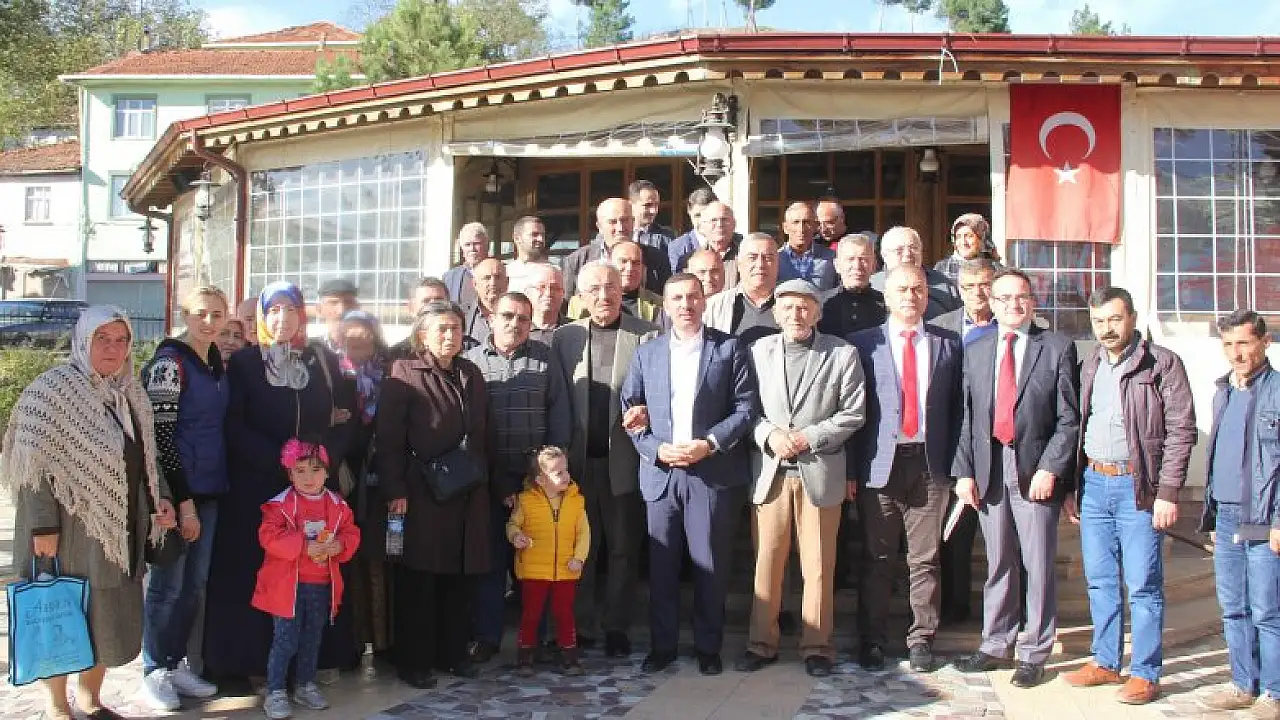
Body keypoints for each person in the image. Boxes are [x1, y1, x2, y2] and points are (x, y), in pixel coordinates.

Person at [2, 305, 177, 720]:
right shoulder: (50, 392)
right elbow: (30, 464)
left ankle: (91, 699)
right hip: (66, 532)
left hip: (118, 530)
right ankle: (57, 705)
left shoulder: (130, 393)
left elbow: (146, 458)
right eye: (103, 339)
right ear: (83, 340)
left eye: (121, 340)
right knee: (63, 613)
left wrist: (162, 498)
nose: (113, 348)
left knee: (105, 616)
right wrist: (42, 525)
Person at [204, 282, 354, 685]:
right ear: (261, 317)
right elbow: (234, 424)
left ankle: (307, 663)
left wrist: (319, 461)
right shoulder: (246, 364)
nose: (282, 318)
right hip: (257, 488)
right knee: (254, 573)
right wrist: (281, 462)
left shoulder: (319, 360)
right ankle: (244, 663)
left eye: (290, 310)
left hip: (311, 488)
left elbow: (344, 415)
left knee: (310, 570)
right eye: (273, 310)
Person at [1059, 286, 1195, 705]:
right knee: (1100, 580)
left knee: (1142, 583)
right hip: (1094, 484)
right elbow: (1077, 426)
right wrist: (1071, 486)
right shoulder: (1090, 364)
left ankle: (1145, 672)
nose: (1107, 329)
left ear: (1132, 317)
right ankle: (1105, 661)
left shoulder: (1162, 364)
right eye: (1099, 321)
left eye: (1115, 319)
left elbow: (1181, 430)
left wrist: (1168, 491)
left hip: (1139, 488)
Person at [620, 273, 758, 676]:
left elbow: (746, 408)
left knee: (710, 564)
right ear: (665, 305)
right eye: (677, 298)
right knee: (662, 565)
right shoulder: (647, 353)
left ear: (704, 301)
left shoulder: (729, 348)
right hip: (662, 473)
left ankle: (708, 647)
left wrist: (710, 444)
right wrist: (653, 448)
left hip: (710, 472)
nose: (685, 305)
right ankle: (662, 646)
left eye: (692, 297)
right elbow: (630, 409)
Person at [952, 268, 1080, 689]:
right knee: (998, 561)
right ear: (991, 302)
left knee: (1037, 564)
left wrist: (1051, 468)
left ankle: (1034, 651)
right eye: (1004, 298)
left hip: (1035, 471)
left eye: (1021, 296)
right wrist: (964, 471)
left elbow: (1068, 418)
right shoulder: (976, 349)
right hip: (989, 467)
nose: (1013, 305)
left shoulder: (1057, 347)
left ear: (1032, 301)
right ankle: (996, 643)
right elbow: (966, 417)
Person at [736, 279, 866, 678]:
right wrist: (769, 435)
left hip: (820, 470)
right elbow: (745, 408)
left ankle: (817, 647)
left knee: (819, 566)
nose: (797, 314)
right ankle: (761, 644)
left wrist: (809, 437)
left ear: (818, 313)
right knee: (767, 562)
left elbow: (853, 413)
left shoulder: (842, 353)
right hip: (771, 472)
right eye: (789, 307)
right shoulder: (757, 351)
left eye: (805, 307)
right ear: (776, 313)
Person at [848, 265, 964, 673]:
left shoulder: (949, 344)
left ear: (927, 295)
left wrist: (959, 467)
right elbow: (853, 412)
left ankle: (921, 639)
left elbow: (959, 410)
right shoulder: (863, 344)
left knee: (926, 559)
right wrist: (850, 472)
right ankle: (872, 640)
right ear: (887, 296)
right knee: (877, 558)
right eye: (902, 289)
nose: (910, 296)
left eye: (917, 289)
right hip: (880, 465)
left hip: (930, 466)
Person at [377, 300, 491, 689]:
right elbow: (389, 440)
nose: (450, 335)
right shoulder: (404, 373)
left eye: (456, 328)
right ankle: (415, 662)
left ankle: (453, 654)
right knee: (420, 579)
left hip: (466, 491)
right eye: (442, 328)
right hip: (421, 492)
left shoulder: (471, 373)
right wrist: (394, 489)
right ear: (423, 334)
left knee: (458, 579)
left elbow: (484, 432)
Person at [552, 262, 657, 658]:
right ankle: (580, 625)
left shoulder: (648, 335)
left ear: (622, 290)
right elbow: (557, 399)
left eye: (611, 287)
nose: (604, 295)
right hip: (576, 464)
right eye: (594, 288)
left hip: (625, 463)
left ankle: (616, 627)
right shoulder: (565, 337)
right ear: (580, 296)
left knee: (622, 550)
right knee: (581, 549)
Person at [136, 287, 231, 711]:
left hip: (211, 489)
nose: (209, 322)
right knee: (167, 586)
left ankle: (174, 663)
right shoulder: (169, 365)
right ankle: (153, 668)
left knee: (194, 586)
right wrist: (183, 500)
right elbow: (161, 438)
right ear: (185, 315)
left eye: (217, 314)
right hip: (176, 495)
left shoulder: (214, 363)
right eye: (200, 314)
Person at [464, 292, 572, 664]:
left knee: (532, 565)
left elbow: (559, 415)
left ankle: (532, 640)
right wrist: (493, 480)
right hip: (487, 482)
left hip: (534, 484)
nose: (515, 324)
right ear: (491, 318)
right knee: (490, 563)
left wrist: (549, 473)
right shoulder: (472, 362)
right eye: (507, 316)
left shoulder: (545, 358)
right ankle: (487, 637)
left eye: (523, 318)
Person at [1198, 310, 1280, 715]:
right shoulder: (1223, 391)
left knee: (1267, 610)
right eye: (1228, 344)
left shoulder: (1277, 391)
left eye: (1244, 343)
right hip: (1227, 515)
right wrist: (1212, 516)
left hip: (1264, 518)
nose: (1237, 353)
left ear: (1265, 342)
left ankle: (1273, 692)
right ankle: (1242, 684)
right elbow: (1218, 458)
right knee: (1234, 607)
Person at [253, 438, 361, 720]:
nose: (308, 477)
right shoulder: (280, 505)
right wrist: (302, 546)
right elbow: (268, 536)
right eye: (300, 471)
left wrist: (340, 545)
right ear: (290, 474)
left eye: (315, 470)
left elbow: (351, 532)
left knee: (312, 638)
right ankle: (276, 690)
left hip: (321, 584)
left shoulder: (338, 505)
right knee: (285, 639)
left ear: (327, 472)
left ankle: (305, 684)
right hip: (287, 587)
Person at [931, 258, 998, 624]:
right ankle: (955, 605)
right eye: (970, 287)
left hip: (998, 441)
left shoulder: (1010, 326)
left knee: (1005, 535)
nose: (978, 293)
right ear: (959, 289)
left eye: (985, 285)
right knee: (955, 530)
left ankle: (1013, 611)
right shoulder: (941, 327)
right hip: (953, 440)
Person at [335, 310, 395, 658]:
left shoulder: (389, 372)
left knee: (380, 558)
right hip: (342, 476)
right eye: (350, 336)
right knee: (346, 558)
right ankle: (351, 644)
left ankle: (384, 642)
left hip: (379, 477)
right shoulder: (332, 372)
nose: (357, 342)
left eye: (364, 335)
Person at [507, 446, 591, 676]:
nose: (566, 476)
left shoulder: (576, 502)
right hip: (534, 570)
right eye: (558, 472)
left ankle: (569, 655)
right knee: (531, 614)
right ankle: (525, 655)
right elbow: (513, 524)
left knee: (564, 614)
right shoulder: (525, 501)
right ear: (541, 480)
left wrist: (579, 558)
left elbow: (584, 533)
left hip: (565, 570)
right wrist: (516, 536)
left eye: (566, 470)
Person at [564, 198, 669, 297]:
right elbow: (566, 303)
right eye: (613, 222)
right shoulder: (577, 261)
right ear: (599, 227)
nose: (620, 228)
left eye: (625, 220)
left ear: (633, 222)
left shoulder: (656, 258)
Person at [704, 232, 781, 346]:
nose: (760, 264)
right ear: (739, 264)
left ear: (778, 264)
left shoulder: (792, 304)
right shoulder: (714, 306)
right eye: (752, 258)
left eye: (768, 258)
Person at [869, 226, 961, 318]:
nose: (908, 254)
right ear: (884, 255)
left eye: (913, 248)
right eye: (899, 250)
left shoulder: (943, 282)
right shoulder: (873, 284)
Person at [568, 242, 662, 323]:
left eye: (636, 263)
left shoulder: (658, 304)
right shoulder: (579, 303)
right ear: (610, 262)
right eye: (623, 261)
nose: (630, 268)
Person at [819, 233, 887, 339]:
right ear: (837, 265)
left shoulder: (887, 304)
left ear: (873, 265)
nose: (857, 266)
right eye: (850, 259)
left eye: (863, 259)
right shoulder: (820, 303)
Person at [669, 201, 741, 288]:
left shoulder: (747, 253)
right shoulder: (689, 260)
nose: (719, 225)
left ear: (734, 224)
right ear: (702, 227)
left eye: (724, 219)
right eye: (713, 220)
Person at [777, 202, 837, 291]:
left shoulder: (831, 258)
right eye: (796, 222)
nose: (801, 229)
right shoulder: (776, 260)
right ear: (785, 228)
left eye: (806, 222)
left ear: (816, 226)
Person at [390, 277, 449, 360]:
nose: (433, 307)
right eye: (426, 301)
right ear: (411, 308)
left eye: (439, 301)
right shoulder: (396, 357)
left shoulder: (464, 349)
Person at [934, 213, 1000, 284]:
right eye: (958, 237)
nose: (963, 242)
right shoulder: (943, 268)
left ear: (982, 238)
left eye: (969, 236)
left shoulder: (996, 269)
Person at [666, 187, 719, 265]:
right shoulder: (678, 247)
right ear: (689, 212)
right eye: (697, 215)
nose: (702, 220)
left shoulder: (733, 242)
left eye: (707, 215)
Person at [463, 258, 508, 349]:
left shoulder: (519, 314)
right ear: (475, 284)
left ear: (507, 282)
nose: (493, 283)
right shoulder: (463, 316)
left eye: (498, 277)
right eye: (487, 278)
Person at [443, 222, 490, 309]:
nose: (472, 249)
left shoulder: (500, 272)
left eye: (477, 244)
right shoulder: (450, 277)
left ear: (487, 246)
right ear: (462, 248)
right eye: (467, 245)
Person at [505, 216, 551, 296]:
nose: (540, 239)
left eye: (543, 235)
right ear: (517, 238)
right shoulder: (505, 272)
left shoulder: (553, 272)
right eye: (534, 234)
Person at [630, 179, 676, 251]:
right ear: (631, 206)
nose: (653, 211)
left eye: (656, 205)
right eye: (647, 205)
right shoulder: (619, 233)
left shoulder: (667, 237)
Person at [525, 263, 566, 344]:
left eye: (555, 288)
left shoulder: (575, 331)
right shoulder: (518, 329)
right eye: (542, 287)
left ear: (563, 294)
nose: (548, 293)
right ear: (528, 292)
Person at [316, 279, 360, 352]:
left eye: (348, 302)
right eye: (333, 303)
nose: (341, 311)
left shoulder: (372, 350)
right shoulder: (309, 351)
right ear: (319, 310)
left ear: (357, 308)